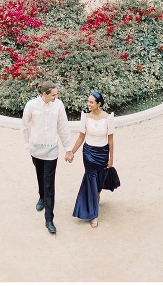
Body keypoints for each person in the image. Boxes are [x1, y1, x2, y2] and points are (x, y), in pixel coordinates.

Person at [21, 80, 72, 234]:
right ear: (43, 94)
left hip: (51, 150)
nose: (56, 97)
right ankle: (41, 197)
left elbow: (63, 127)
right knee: (39, 176)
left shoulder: (58, 105)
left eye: (56, 94)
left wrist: (68, 149)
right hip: (35, 149)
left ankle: (49, 219)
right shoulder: (31, 105)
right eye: (53, 95)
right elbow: (24, 126)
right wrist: (27, 145)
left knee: (49, 183)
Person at [66, 89, 114, 228]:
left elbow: (110, 140)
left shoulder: (108, 118)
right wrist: (71, 152)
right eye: (88, 101)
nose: (88, 104)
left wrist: (111, 158)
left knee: (99, 181)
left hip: (103, 152)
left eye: (91, 102)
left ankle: (97, 195)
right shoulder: (85, 117)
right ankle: (93, 214)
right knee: (91, 180)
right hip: (89, 153)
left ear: (98, 104)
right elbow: (81, 136)